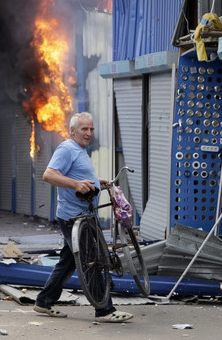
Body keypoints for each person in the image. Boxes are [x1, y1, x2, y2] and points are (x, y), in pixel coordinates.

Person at [33, 112, 133, 323]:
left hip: (82, 216)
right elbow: (48, 174)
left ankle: (44, 301)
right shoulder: (66, 149)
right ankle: (104, 309)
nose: (88, 133)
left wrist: (96, 181)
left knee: (68, 263)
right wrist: (77, 185)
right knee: (92, 261)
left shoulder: (80, 150)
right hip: (75, 218)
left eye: (91, 129)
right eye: (84, 129)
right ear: (73, 131)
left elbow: (77, 174)